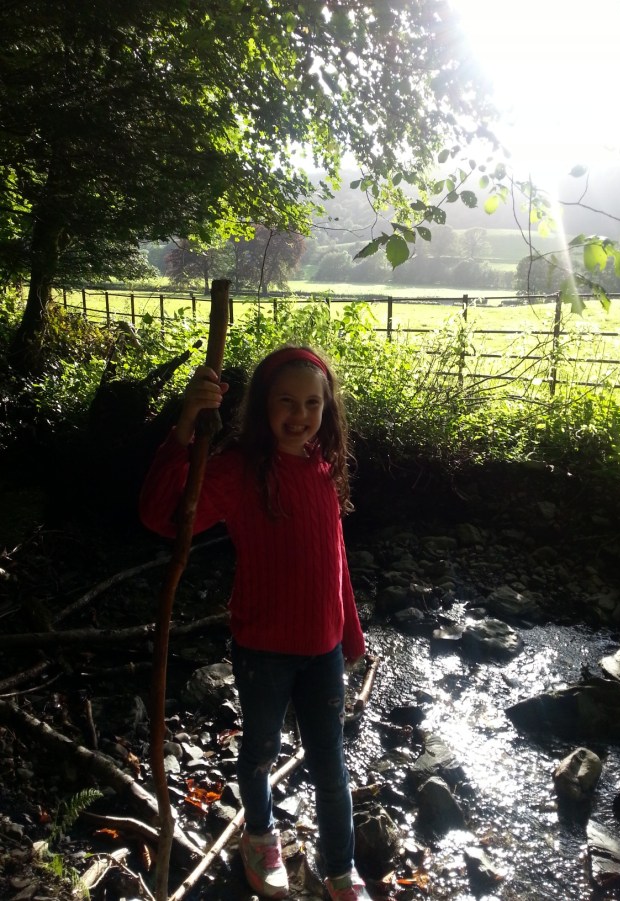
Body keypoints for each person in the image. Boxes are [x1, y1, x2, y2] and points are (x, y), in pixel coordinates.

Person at [139, 345, 372, 901]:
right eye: (286, 402)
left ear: (328, 407)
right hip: (263, 649)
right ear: (262, 408)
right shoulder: (240, 471)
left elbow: (334, 557)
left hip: (321, 652)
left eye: (313, 402)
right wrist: (185, 427)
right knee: (261, 751)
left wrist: (350, 633)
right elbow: (162, 515)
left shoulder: (322, 464)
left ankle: (339, 868)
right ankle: (259, 837)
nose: (300, 414)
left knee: (330, 765)